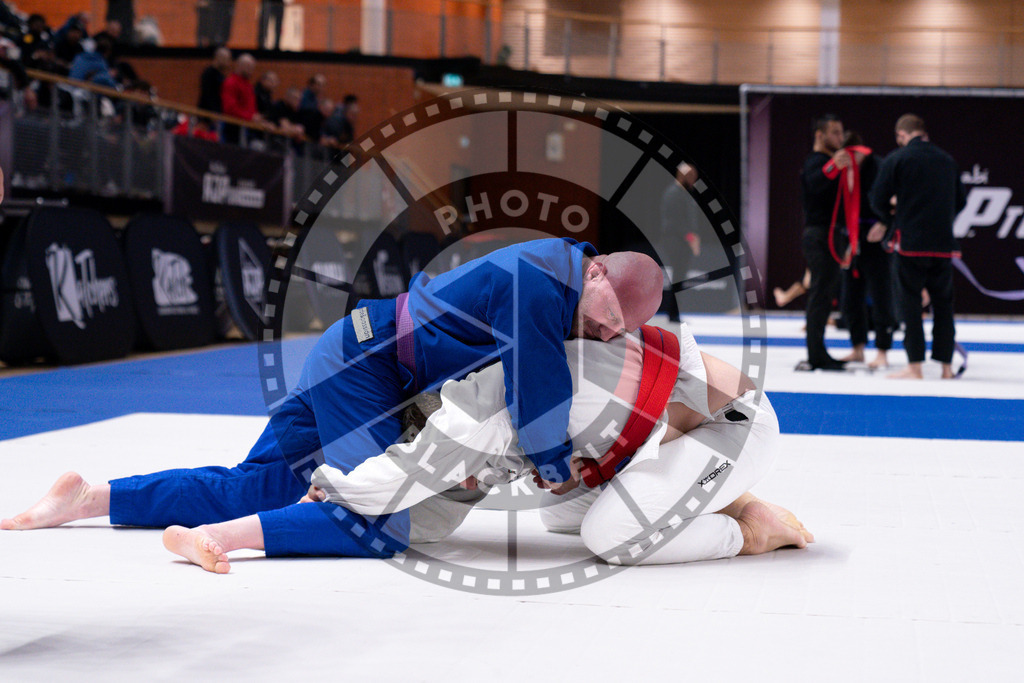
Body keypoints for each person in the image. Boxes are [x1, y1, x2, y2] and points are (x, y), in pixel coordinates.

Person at [3, 240, 663, 567]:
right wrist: (553, 465)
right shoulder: (545, 280)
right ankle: (215, 540)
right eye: (607, 317)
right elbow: (536, 386)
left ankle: (91, 496)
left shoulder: (551, 275)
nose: (604, 333)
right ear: (597, 270)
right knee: (375, 517)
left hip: (353, 355)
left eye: (616, 333)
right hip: (363, 370)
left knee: (253, 485)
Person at [868, 114, 967, 380]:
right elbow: (961, 201)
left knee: (910, 306)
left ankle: (915, 366)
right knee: (944, 306)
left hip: (910, 243)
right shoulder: (947, 160)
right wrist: (940, 221)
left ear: (902, 135)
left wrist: (892, 217)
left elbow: (876, 199)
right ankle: (946, 366)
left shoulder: (897, 159)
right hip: (943, 244)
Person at [825, 132, 896, 369]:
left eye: (854, 155)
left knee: (881, 296)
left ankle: (883, 351)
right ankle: (857, 348)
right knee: (850, 299)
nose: (851, 160)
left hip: (876, 238)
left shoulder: (879, 165)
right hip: (851, 239)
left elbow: (897, 200)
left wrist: (886, 223)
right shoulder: (842, 170)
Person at [798, 113, 848, 371]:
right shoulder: (815, 162)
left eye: (841, 133)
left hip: (831, 234)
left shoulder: (829, 162)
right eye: (835, 132)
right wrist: (833, 168)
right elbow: (815, 184)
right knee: (820, 294)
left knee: (826, 294)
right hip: (819, 235)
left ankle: (819, 351)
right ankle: (816, 354)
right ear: (820, 135)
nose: (840, 138)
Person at [657, 162, 703, 323]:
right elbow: (675, 222)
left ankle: (674, 312)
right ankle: (672, 313)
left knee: (680, 278)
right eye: (691, 177)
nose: (693, 181)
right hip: (675, 242)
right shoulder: (673, 194)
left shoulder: (685, 193)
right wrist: (691, 239)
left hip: (683, 241)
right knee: (677, 278)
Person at [220, 53, 261, 145]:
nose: (251, 70)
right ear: (239, 65)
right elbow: (229, 108)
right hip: (233, 129)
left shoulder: (249, 85)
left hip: (246, 130)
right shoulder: (231, 83)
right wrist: (251, 117)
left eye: (252, 67)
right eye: (248, 67)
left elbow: (250, 107)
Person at [198, 46, 231, 115]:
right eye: (226, 59)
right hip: (208, 114)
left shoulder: (221, 75)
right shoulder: (209, 74)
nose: (228, 62)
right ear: (218, 57)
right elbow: (209, 95)